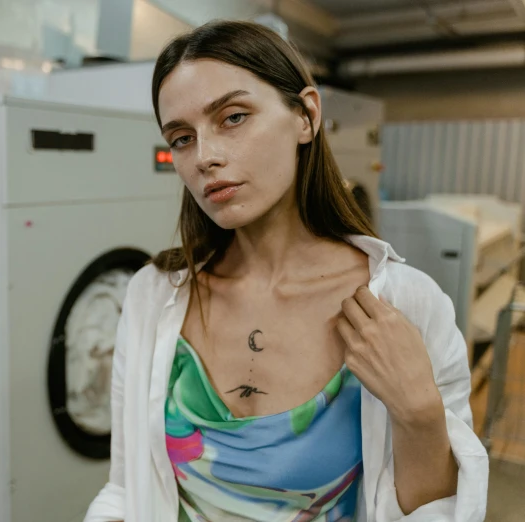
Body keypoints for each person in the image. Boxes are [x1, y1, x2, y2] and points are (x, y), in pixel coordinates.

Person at [85, 20, 488, 522]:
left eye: (233, 117)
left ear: (306, 116)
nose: (205, 157)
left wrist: (420, 414)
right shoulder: (152, 298)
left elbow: (441, 514)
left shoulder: (403, 305)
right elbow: (126, 490)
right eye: (182, 138)